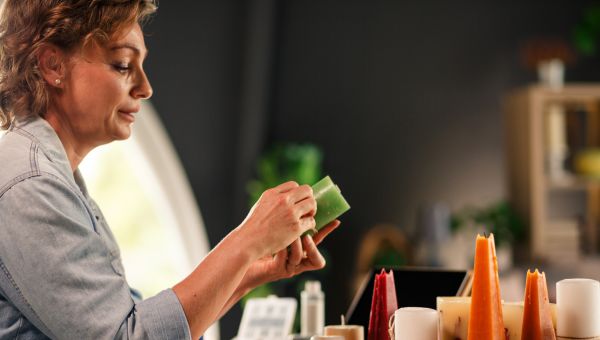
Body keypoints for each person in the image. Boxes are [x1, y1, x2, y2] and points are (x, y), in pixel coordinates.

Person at [0, 1, 340, 339]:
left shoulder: (53, 178)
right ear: (52, 65)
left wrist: (247, 271)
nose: (145, 88)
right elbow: (128, 337)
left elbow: (133, 323)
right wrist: (247, 241)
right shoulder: (31, 186)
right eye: (122, 65)